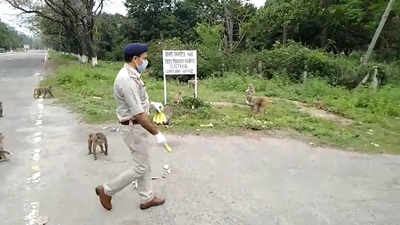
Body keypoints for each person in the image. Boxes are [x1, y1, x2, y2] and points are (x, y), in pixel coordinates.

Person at [95, 43, 167, 210]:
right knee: (141, 166)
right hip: (134, 127)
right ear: (135, 59)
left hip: (135, 125)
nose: (145, 62)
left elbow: (138, 101)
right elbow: (138, 114)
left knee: (144, 163)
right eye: (144, 59)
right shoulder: (126, 80)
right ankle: (107, 190)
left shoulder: (132, 74)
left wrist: (151, 104)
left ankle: (146, 198)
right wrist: (157, 133)